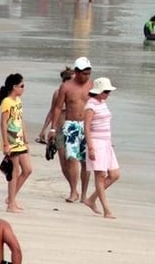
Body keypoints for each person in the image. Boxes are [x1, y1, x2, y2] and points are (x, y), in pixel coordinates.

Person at [47, 57, 94, 202]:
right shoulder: (66, 87)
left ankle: (84, 194)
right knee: (72, 159)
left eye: (89, 73)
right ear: (77, 72)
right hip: (71, 125)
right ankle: (73, 191)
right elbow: (57, 108)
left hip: (86, 125)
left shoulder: (92, 86)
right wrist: (53, 129)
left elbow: (97, 106)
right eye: (84, 73)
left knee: (85, 162)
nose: (87, 76)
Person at [83, 77, 120, 218]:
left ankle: (91, 199)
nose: (107, 94)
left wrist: (109, 141)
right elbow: (86, 127)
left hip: (106, 143)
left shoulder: (102, 102)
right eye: (105, 91)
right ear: (98, 91)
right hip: (96, 143)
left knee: (115, 174)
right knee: (100, 176)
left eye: (108, 91)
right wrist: (91, 147)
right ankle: (107, 210)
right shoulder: (90, 106)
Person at [0, 73, 32, 213]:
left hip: (19, 140)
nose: (23, 89)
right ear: (14, 87)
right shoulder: (7, 102)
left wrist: (26, 139)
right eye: (22, 86)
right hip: (11, 140)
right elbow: (3, 123)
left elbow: (21, 120)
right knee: (14, 170)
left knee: (28, 169)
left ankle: (11, 198)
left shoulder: (18, 101)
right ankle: (11, 204)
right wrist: (6, 144)